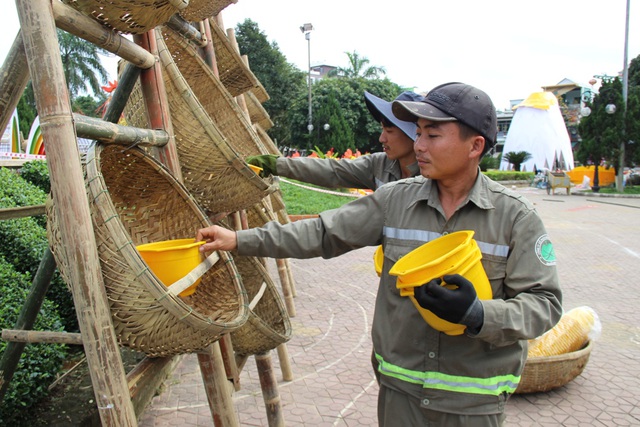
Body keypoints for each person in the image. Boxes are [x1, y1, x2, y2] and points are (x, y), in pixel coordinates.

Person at [197, 82, 563, 426]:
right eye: (418, 133)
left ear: (475, 146)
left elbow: (544, 304)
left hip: (473, 403)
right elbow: (324, 232)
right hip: (400, 394)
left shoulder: (516, 218)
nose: (419, 144)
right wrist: (239, 240)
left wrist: (478, 313)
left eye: (432, 135)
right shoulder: (396, 199)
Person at [246, 91, 423, 191]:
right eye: (382, 129)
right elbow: (332, 170)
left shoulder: (434, 177)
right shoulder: (379, 165)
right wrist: (275, 165)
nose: (381, 138)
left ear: (414, 133)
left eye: (389, 131)